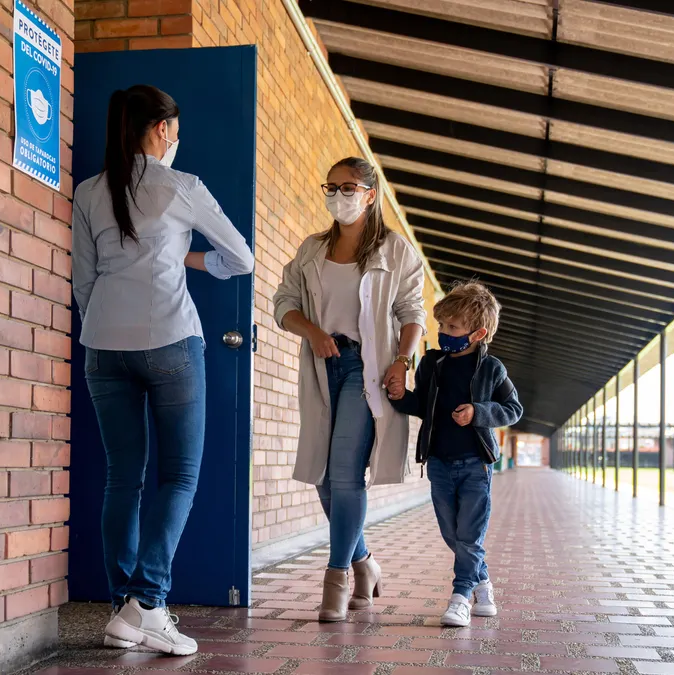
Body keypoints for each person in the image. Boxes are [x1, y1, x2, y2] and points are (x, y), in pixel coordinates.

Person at [72, 85, 254, 655]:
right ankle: (148, 603)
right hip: (172, 340)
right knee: (178, 475)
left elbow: (84, 283)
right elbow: (242, 259)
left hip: (103, 344)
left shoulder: (88, 192)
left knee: (122, 476)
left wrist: (107, 326)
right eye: (173, 127)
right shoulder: (182, 188)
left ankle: (123, 608)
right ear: (160, 131)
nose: (176, 136)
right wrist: (189, 258)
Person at [273, 157, 426, 622]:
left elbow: (412, 312)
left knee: (343, 471)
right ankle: (365, 564)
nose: (339, 195)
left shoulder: (394, 250)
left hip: (368, 368)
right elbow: (284, 302)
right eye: (332, 187)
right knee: (324, 475)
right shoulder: (312, 249)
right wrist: (312, 332)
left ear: (370, 193)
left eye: (349, 187)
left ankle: (336, 577)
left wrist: (402, 360)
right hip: (324, 364)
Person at [387, 281, 523, 627]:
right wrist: (401, 395)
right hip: (438, 463)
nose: (443, 333)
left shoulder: (493, 369)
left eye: (451, 327)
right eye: (441, 325)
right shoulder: (433, 365)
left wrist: (478, 412)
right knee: (453, 533)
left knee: (470, 534)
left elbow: (513, 409)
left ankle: (460, 596)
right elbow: (422, 406)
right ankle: (483, 583)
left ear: (477, 333)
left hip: (475, 464)